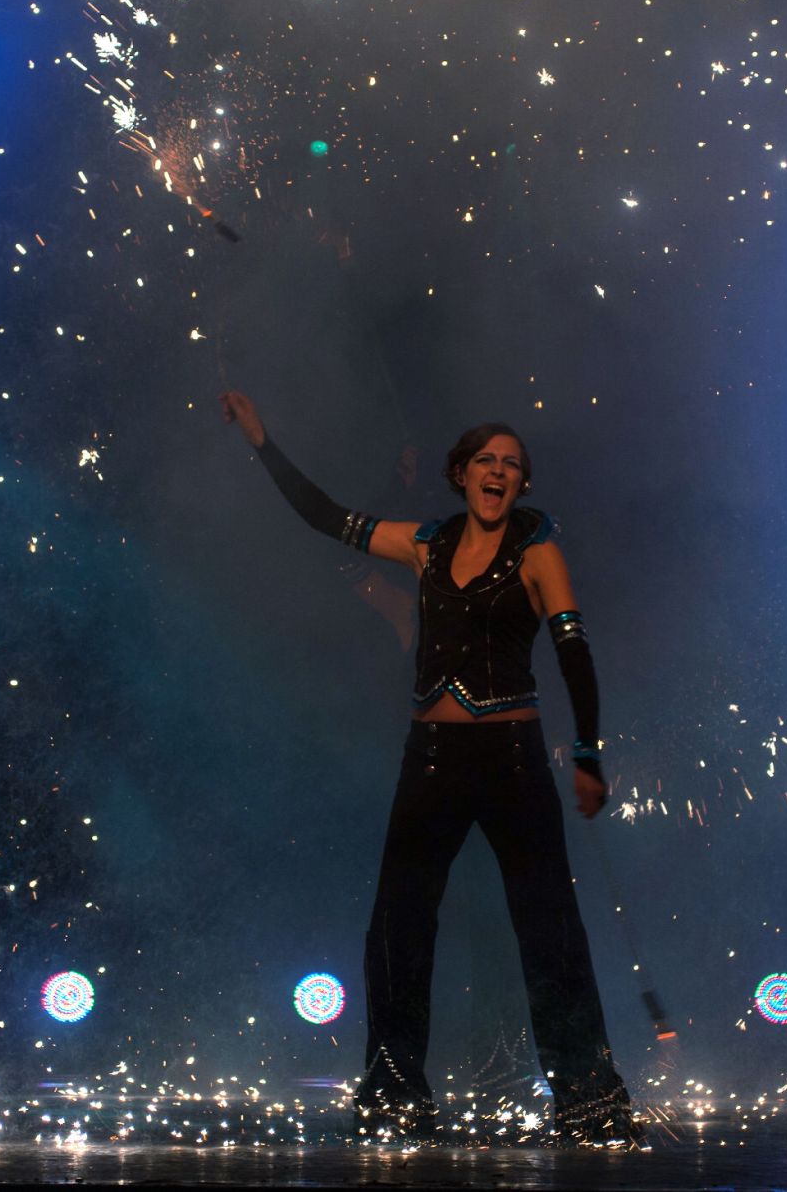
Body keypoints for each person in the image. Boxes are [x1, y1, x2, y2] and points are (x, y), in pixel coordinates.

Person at [220, 391, 633, 1144]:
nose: (498, 471)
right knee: (398, 925)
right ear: (460, 474)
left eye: (512, 465)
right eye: (486, 460)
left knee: (550, 930)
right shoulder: (425, 544)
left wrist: (587, 751)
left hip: (511, 758)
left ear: (522, 485)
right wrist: (261, 440)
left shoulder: (539, 551)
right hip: (433, 760)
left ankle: (589, 1100)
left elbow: (575, 653)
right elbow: (326, 516)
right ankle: (396, 1094)